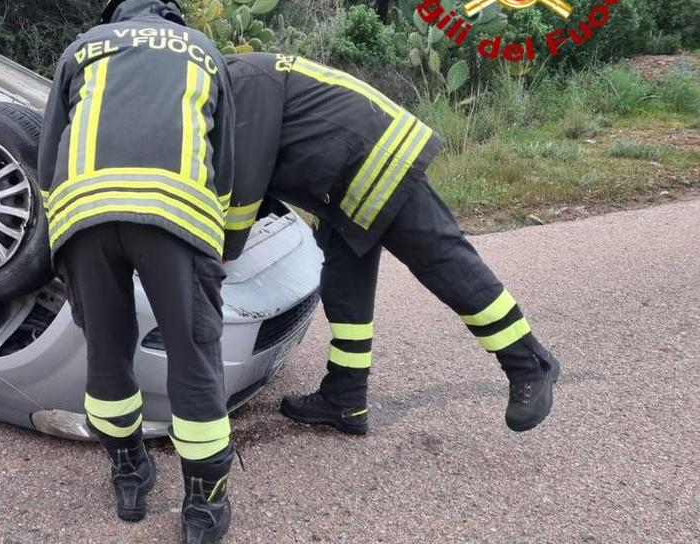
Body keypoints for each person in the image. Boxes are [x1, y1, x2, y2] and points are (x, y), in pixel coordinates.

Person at [222, 51, 560, 435]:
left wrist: (222, 254)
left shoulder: (241, 81)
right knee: (343, 285)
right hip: (343, 179)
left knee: (444, 264)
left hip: (376, 158)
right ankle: (345, 396)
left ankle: (529, 362)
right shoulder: (238, 78)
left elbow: (244, 185)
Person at [38, 0, 236, 543]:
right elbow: (224, 165)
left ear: (114, 17)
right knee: (194, 357)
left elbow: (49, 152)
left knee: (106, 357)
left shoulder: (81, 48)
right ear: (172, 17)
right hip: (174, 214)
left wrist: (65, 235)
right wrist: (210, 247)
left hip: (85, 214)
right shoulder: (203, 50)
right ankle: (204, 503)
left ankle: (129, 471)